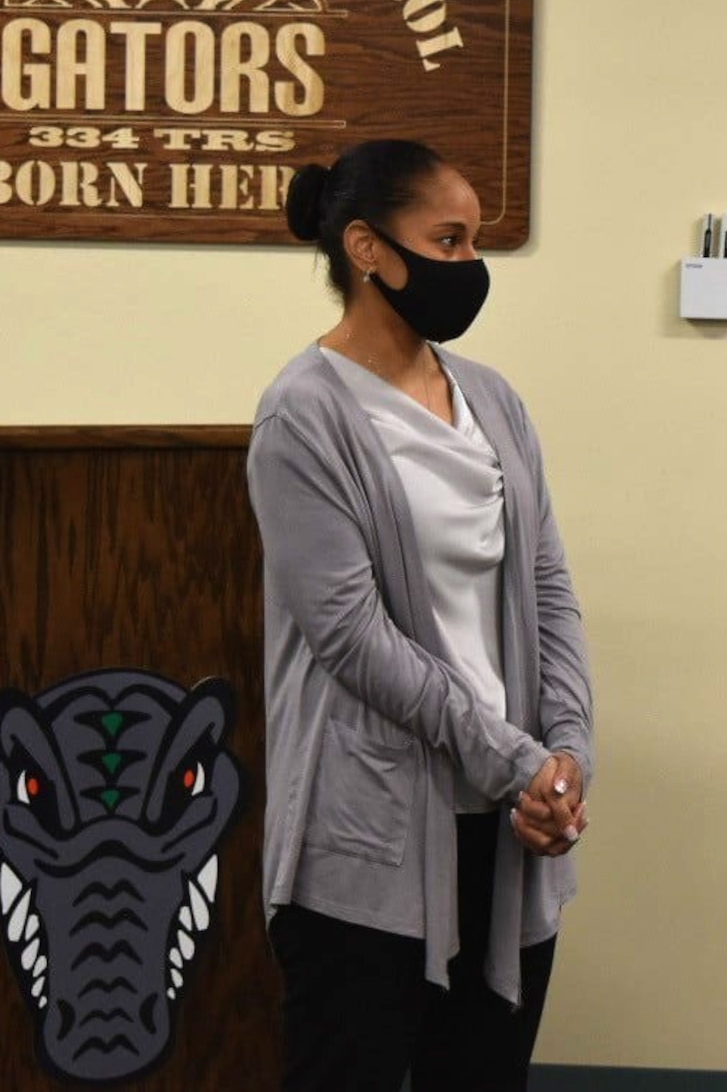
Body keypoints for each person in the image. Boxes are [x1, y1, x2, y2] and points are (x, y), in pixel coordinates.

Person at [247, 140, 595, 1092]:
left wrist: (566, 752)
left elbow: (549, 587)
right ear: (367, 247)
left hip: (511, 831)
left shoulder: (492, 400)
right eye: (447, 239)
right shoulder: (302, 417)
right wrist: (519, 761)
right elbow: (354, 638)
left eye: (474, 240)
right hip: (367, 842)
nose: (469, 266)